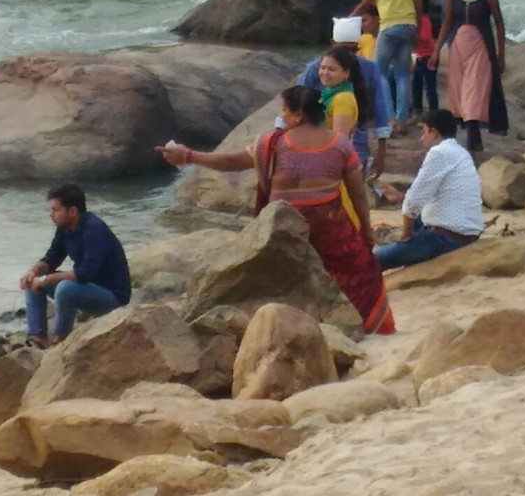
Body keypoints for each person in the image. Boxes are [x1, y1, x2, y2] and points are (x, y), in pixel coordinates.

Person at [157, 86, 395, 335]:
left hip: (283, 230)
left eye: (285, 111)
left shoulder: (272, 144)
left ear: (299, 114)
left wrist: (188, 156)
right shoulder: (340, 145)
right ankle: (367, 328)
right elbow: (358, 195)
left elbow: (230, 162)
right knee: (364, 272)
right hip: (331, 231)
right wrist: (366, 230)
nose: (282, 116)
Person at [20, 183, 131, 347]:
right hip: (87, 289)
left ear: (72, 211)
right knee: (32, 280)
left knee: (65, 288)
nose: (51, 214)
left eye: (56, 210)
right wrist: (34, 271)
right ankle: (38, 337)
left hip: (112, 297)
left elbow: (85, 273)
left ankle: (61, 340)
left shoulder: (94, 229)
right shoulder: (64, 229)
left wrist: (45, 280)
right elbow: (51, 258)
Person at [375, 109, 484, 270]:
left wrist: (405, 236)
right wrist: (401, 197)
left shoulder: (439, 153)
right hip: (468, 232)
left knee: (376, 259)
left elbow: (413, 203)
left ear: (434, 133)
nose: (421, 138)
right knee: (418, 218)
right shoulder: (461, 152)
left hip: (447, 239)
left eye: (424, 132)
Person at [298, 16, 392, 179]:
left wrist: (381, 152)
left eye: (351, 50)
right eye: (342, 50)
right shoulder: (317, 69)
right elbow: (296, 100)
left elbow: (380, 110)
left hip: (342, 155)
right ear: (332, 44)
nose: (347, 55)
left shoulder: (346, 94)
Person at [431, 0, 508, 152]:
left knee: (474, 91)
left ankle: (473, 138)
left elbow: (499, 24)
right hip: (458, 46)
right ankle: (471, 135)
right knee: (458, 91)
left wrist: (500, 54)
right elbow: (447, 22)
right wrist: (436, 50)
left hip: (480, 47)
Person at [352, 0, 422, 132]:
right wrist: (418, 27)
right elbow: (418, 3)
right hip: (409, 25)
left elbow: (366, 3)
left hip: (389, 26)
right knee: (402, 73)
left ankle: (389, 117)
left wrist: (351, 17)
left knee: (379, 72)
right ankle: (402, 120)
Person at [318, 46, 371, 228]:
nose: (325, 73)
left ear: (346, 73)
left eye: (331, 69)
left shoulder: (342, 99)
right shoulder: (330, 95)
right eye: (322, 67)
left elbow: (338, 140)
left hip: (333, 167)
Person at [411, 0, 439, 120]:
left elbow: (425, 36)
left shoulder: (424, 20)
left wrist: (413, 35)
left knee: (429, 87)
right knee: (416, 85)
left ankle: (433, 114)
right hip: (418, 57)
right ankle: (417, 112)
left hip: (427, 57)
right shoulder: (416, 20)